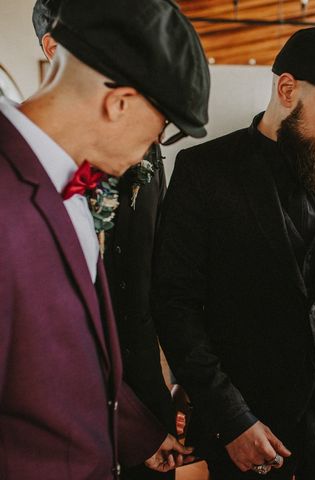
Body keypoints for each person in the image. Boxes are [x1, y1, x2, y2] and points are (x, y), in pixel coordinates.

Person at [152, 26, 315, 479]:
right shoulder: (203, 171)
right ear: (287, 89)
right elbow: (175, 305)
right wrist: (232, 419)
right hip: (248, 422)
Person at [0, 0, 210, 477]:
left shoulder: (72, 182)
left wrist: (131, 432)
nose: (152, 147)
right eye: (161, 129)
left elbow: (58, 363)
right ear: (119, 102)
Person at [31, 3, 176, 478]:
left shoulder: (143, 145)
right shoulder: (29, 173)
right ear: (53, 49)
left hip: (144, 389)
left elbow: (162, 267)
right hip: (54, 424)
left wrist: (174, 388)